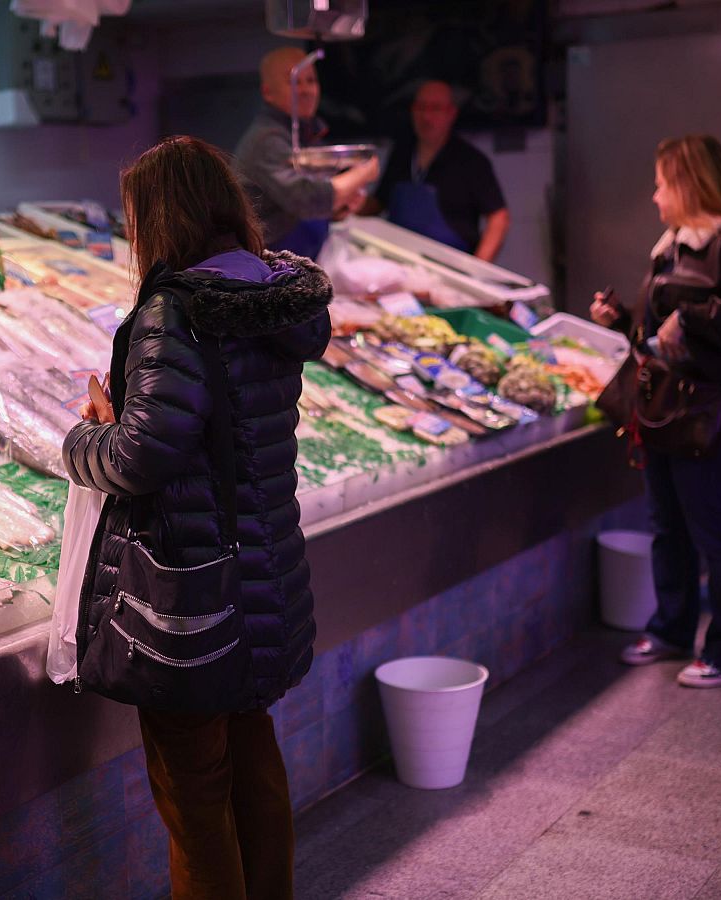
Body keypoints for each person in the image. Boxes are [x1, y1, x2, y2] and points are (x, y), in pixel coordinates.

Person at [63, 136, 332, 897]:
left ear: (161, 217)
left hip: (191, 601)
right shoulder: (273, 300)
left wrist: (86, 436)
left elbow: (144, 454)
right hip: (264, 576)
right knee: (254, 763)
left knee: (194, 793)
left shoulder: (172, 311)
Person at [591, 134, 721, 688]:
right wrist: (623, 319)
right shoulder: (671, 243)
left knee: (715, 529)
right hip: (661, 405)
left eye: (660, 184)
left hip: (713, 407)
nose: (654, 197)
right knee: (666, 526)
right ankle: (671, 629)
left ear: (689, 184)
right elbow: (658, 334)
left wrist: (687, 316)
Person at [234, 46, 380, 260]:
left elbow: (302, 206)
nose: (305, 90)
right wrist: (364, 172)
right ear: (268, 92)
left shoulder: (302, 134)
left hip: (298, 264)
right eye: (294, 81)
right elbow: (307, 199)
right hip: (266, 268)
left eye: (310, 80)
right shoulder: (267, 139)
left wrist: (339, 209)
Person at [365, 80, 510, 260]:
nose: (426, 117)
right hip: (398, 262)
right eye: (421, 107)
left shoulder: (472, 161)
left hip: (451, 269)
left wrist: (478, 272)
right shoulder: (401, 153)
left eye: (435, 108)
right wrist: (347, 203)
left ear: (451, 113)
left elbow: (499, 218)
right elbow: (379, 202)